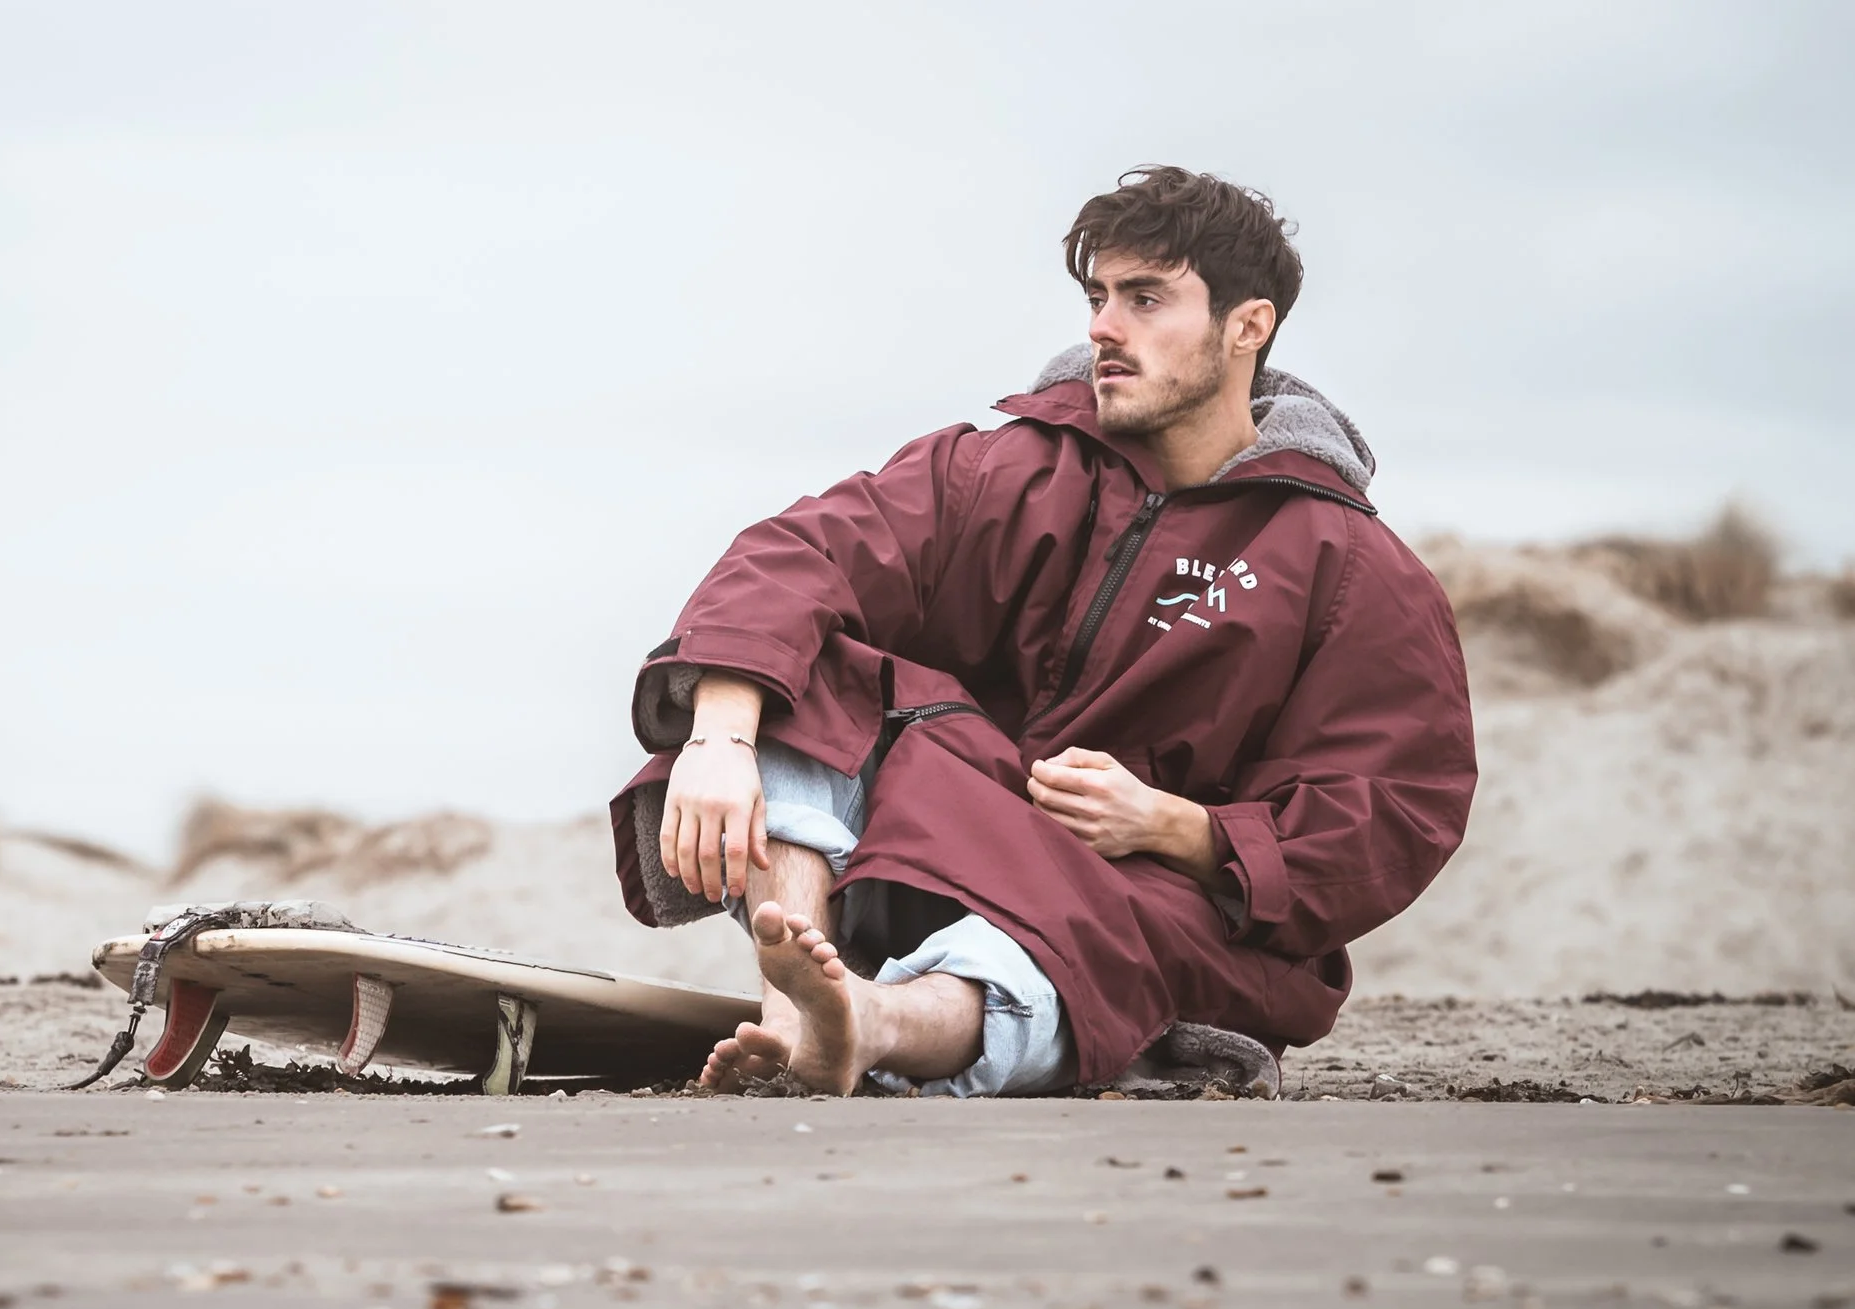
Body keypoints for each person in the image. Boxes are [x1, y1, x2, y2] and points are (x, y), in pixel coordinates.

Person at [609, 165, 1476, 1097]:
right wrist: (720, 735)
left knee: (1089, 933)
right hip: (943, 839)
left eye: (1146, 300)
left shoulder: (1349, 565)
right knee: (791, 669)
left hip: (1149, 909)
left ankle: (870, 1022)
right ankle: (795, 1015)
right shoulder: (1007, 470)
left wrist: (1183, 829)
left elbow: (1395, 809)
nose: (1104, 326)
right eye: (1099, 297)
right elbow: (801, 552)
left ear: (1247, 328)